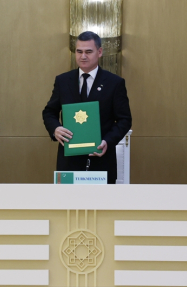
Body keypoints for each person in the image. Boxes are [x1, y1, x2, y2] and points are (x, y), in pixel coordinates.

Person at [42, 31, 132, 184]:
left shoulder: (114, 83)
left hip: (101, 161)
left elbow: (125, 120)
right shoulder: (63, 81)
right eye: (79, 51)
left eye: (88, 52)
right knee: (69, 200)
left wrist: (107, 141)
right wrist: (55, 128)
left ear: (99, 52)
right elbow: (49, 112)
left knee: (101, 200)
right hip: (69, 163)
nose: (83, 56)